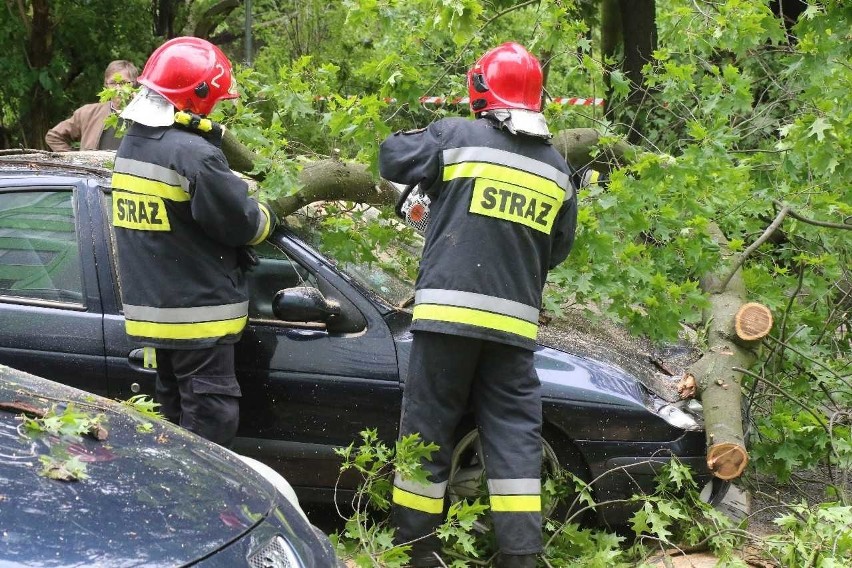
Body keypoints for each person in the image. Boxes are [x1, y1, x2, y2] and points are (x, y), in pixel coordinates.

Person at [379, 42, 578, 568]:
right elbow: (556, 248)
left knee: (428, 430)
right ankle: (520, 555)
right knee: (515, 436)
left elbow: (391, 156)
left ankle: (419, 551)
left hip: (446, 321)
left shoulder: (457, 137)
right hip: (513, 331)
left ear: (480, 90)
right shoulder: (558, 170)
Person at [110, 37, 276, 447]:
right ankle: (201, 506)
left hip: (156, 312)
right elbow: (242, 225)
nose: (218, 106)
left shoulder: (133, 144)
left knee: (174, 423)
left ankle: (171, 503)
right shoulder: (194, 155)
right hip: (199, 316)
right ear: (196, 96)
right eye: (216, 98)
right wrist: (269, 214)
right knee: (210, 425)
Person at [45, 60, 138, 151]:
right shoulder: (88, 113)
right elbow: (54, 136)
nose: (118, 88)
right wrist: (74, 161)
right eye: (113, 83)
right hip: (94, 166)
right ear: (106, 85)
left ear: (134, 84)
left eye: (124, 83)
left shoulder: (144, 115)